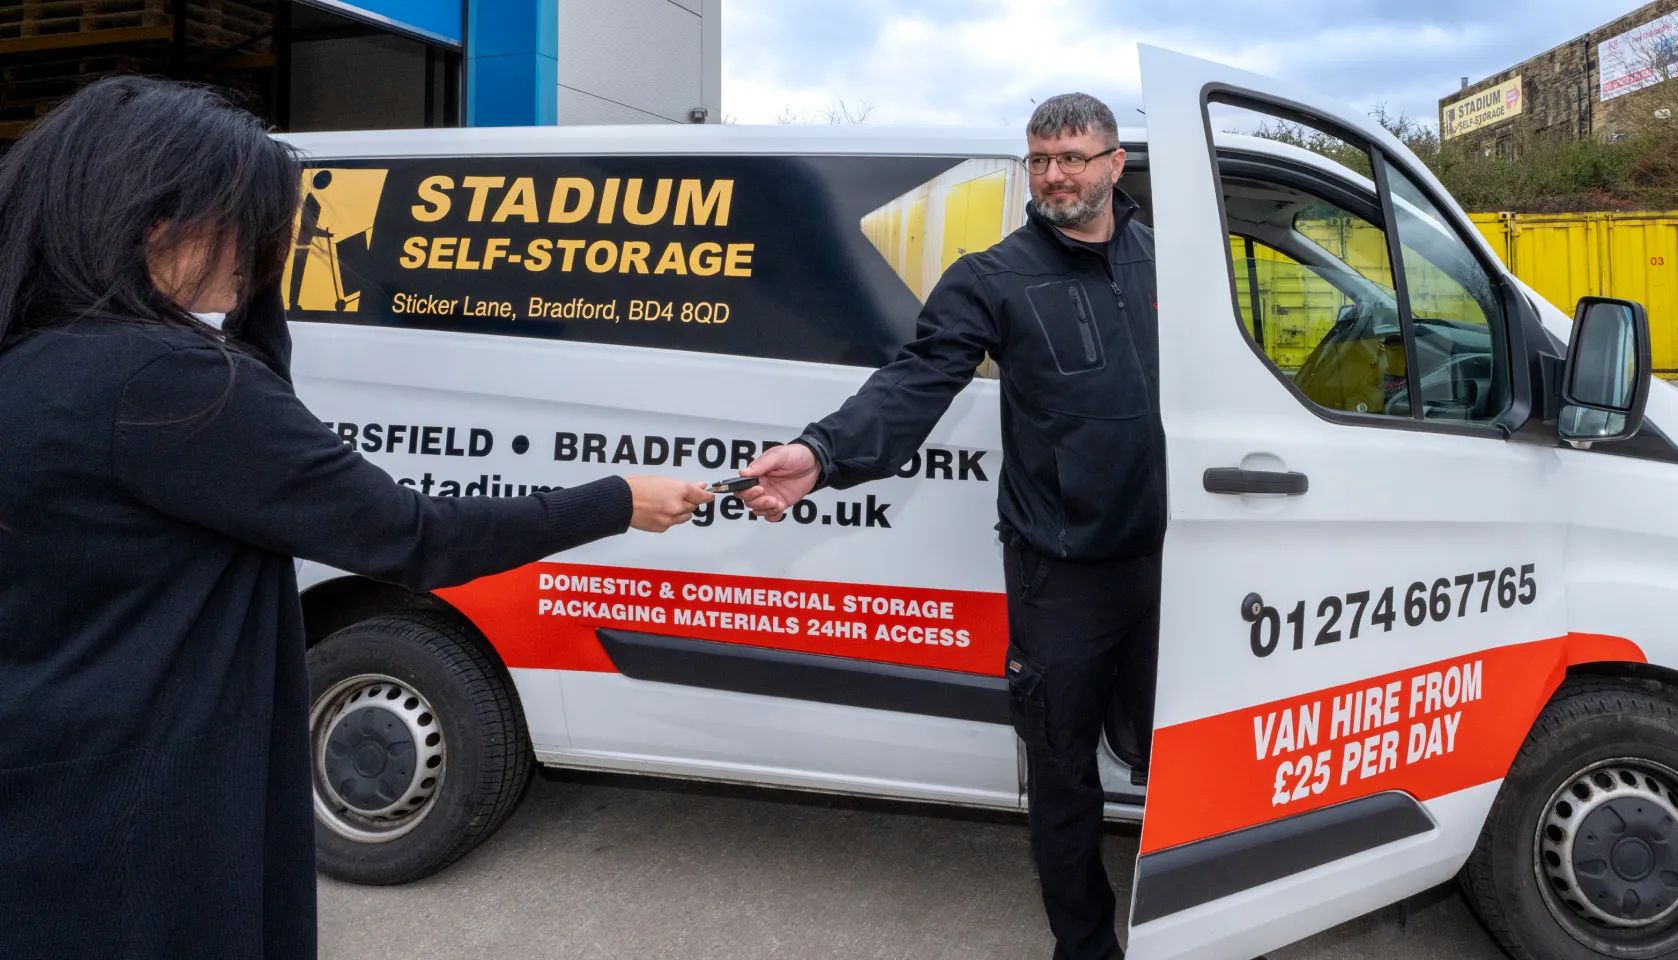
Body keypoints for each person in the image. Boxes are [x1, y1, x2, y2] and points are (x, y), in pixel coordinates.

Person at [0, 77, 712, 960]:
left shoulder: (42, 357)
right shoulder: (167, 384)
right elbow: (412, 536)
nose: (262, 254)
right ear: (158, 221)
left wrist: (243, 291)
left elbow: (259, 427)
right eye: (249, 226)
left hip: (51, 777)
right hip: (147, 814)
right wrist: (617, 501)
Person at [741, 93, 1162, 960]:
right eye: (1040, 160)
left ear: (1116, 164)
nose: (1056, 176)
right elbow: (916, 381)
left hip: (1174, 559)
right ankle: (1085, 946)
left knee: (1182, 748)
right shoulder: (992, 276)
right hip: (1061, 572)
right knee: (1064, 773)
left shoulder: (1169, 266)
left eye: (1075, 157)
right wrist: (823, 453)